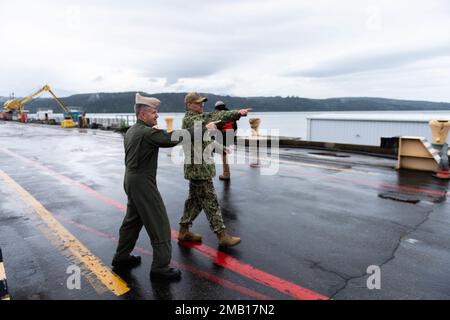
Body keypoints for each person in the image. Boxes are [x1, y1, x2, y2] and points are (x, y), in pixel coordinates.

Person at [112, 93, 217, 281]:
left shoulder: (132, 131)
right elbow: (172, 138)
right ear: (142, 115)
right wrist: (204, 129)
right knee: (159, 223)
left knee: (132, 221)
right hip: (142, 184)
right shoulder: (147, 132)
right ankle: (160, 268)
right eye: (153, 113)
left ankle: (121, 258)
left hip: (131, 179)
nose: (157, 116)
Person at [178, 92, 251, 247]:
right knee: (211, 203)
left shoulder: (198, 119)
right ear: (189, 105)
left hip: (197, 170)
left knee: (194, 202)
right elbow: (213, 118)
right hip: (199, 170)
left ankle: (184, 231)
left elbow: (205, 141)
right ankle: (222, 235)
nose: (201, 105)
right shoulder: (191, 119)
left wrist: (220, 148)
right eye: (198, 103)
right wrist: (236, 113)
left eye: (202, 103)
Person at [212, 101, 238, 180]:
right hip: (230, 134)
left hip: (224, 135)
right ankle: (226, 172)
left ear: (217, 108)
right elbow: (235, 127)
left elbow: (217, 128)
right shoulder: (230, 114)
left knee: (222, 153)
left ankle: (226, 173)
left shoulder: (220, 115)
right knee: (223, 152)